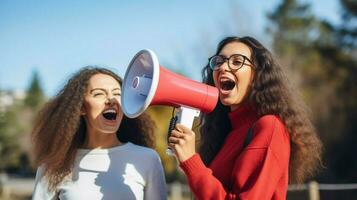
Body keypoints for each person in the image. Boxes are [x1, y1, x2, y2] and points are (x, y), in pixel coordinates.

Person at [169, 36, 322, 200]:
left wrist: (192, 162)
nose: (223, 67)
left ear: (257, 75)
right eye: (219, 61)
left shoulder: (269, 127)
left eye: (237, 61)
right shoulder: (226, 131)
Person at [31, 67, 167, 200]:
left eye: (118, 94)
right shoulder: (54, 164)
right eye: (99, 94)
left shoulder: (148, 159)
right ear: (82, 108)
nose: (111, 100)